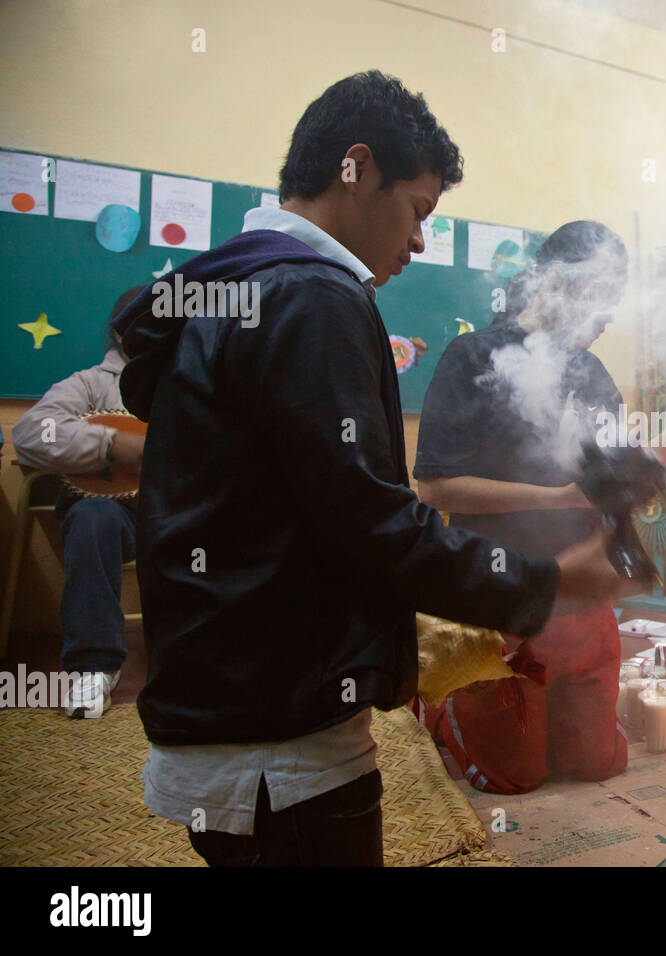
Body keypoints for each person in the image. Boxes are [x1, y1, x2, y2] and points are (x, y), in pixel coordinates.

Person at [109, 72, 619, 867]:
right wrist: (544, 583)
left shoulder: (236, 285)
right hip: (279, 732)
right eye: (417, 211)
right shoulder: (314, 299)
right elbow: (374, 524)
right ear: (356, 168)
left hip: (227, 697)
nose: (419, 243)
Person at [414, 220, 666, 794]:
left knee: (595, 762)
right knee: (513, 776)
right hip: (502, 594)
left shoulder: (590, 372)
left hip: (577, 595)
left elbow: (621, 475)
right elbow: (436, 488)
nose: (607, 318)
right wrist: (553, 498)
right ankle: (442, 712)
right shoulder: (471, 357)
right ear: (557, 284)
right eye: (601, 298)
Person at [12, 287, 148, 718]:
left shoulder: (193, 387)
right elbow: (33, 434)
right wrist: (110, 445)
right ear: (120, 333)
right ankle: (94, 667)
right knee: (93, 516)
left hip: (175, 513)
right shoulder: (89, 384)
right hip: (112, 513)